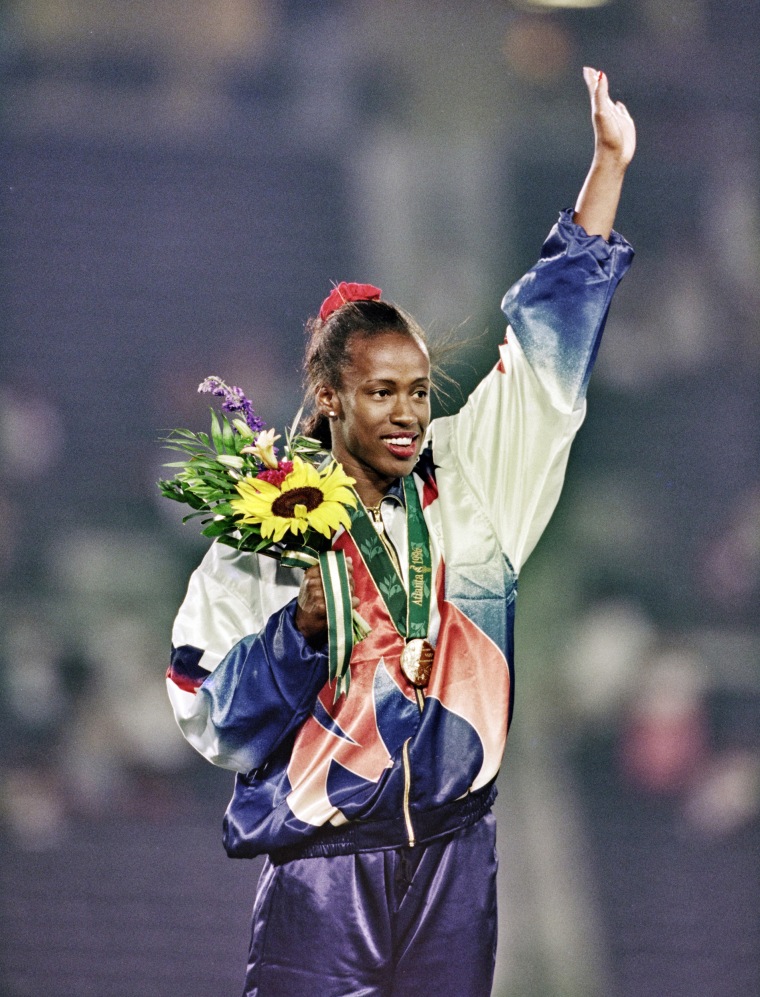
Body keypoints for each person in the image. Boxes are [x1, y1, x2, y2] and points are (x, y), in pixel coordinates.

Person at [167, 67, 636, 997]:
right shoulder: (268, 530)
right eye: (382, 391)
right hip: (324, 874)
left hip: (458, 864)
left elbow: (543, 361)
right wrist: (294, 637)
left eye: (419, 390)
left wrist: (607, 169)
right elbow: (202, 703)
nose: (408, 413)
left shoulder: (471, 483)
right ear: (331, 398)